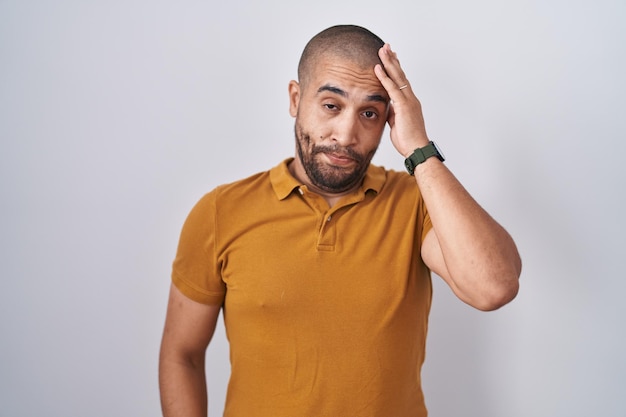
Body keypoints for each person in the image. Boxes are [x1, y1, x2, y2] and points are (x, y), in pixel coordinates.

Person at [158, 24, 521, 417]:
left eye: (369, 113)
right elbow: (183, 354)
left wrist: (419, 148)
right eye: (331, 105)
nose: (347, 134)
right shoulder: (220, 212)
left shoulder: (416, 203)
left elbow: (493, 287)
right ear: (296, 98)